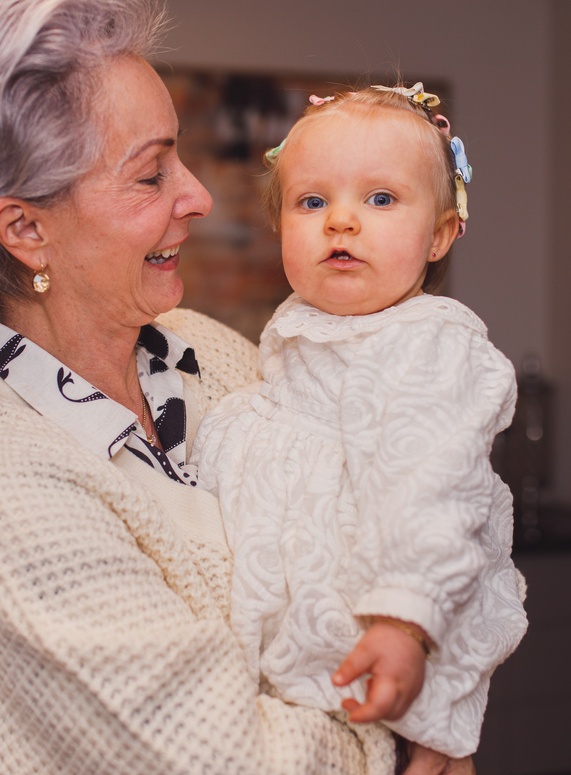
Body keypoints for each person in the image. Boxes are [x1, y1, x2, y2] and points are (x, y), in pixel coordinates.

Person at [0, 0, 436, 773]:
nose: (199, 197)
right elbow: (220, 760)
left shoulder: (210, 352)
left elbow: (380, 541)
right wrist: (408, 739)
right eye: (151, 174)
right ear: (25, 228)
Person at [191, 84, 529, 768]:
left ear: (439, 234)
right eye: (312, 202)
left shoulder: (432, 343)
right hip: (297, 665)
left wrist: (405, 617)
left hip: (391, 631)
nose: (341, 221)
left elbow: (433, 483)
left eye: (380, 199)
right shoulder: (292, 335)